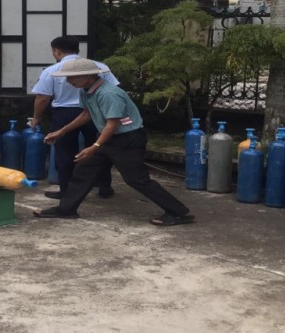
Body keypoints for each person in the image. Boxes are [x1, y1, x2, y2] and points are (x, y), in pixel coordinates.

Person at [33, 58, 194, 226]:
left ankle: (178, 212)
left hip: (127, 139)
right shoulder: (86, 91)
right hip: (109, 138)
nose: (68, 81)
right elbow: (86, 115)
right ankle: (66, 209)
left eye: (72, 77)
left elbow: (112, 124)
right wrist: (61, 131)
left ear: (88, 76)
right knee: (83, 171)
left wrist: (94, 147)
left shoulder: (108, 93)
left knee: (136, 179)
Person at [31, 36, 117, 200]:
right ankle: (104, 186)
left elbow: (43, 98)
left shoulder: (52, 70)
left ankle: (66, 191)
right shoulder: (100, 66)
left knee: (64, 151)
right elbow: (114, 89)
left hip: (63, 114)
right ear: (78, 49)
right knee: (98, 148)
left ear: (56, 51)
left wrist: (36, 117)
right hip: (94, 112)